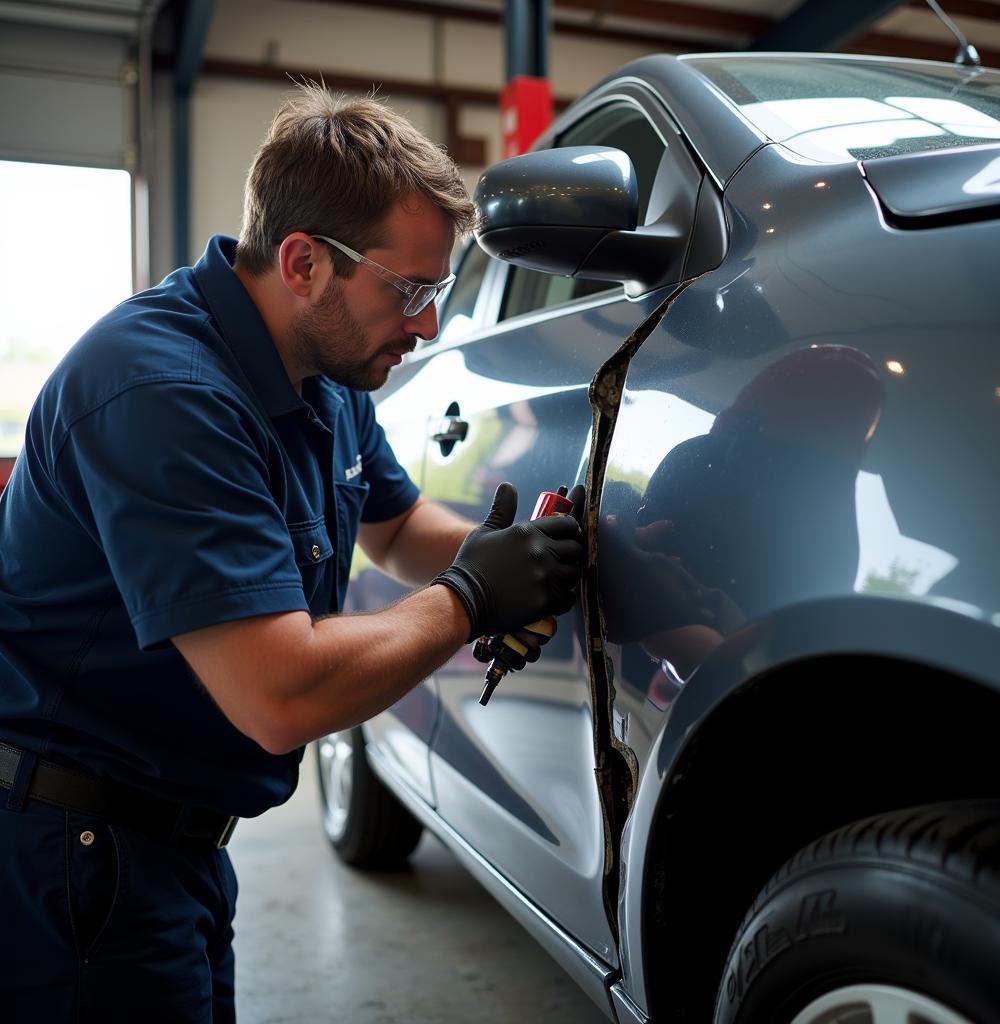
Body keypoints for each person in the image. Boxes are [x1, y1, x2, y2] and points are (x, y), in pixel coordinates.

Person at [0, 84, 584, 1021]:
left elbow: (392, 528)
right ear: (305, 261)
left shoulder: (328, 371)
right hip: (71, 856)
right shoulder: (161, 391)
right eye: (411, 291)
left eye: (439, 291)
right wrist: (472, 598)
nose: (429, 326)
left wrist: (513, 554)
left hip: (174, 844)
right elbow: (279, 694)